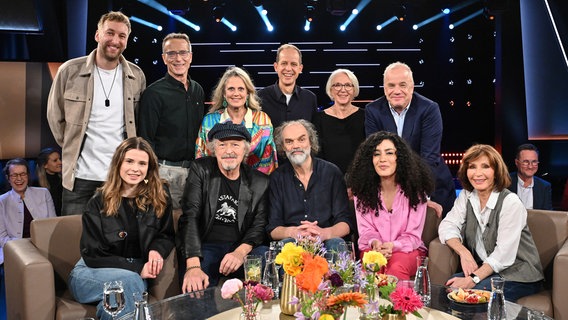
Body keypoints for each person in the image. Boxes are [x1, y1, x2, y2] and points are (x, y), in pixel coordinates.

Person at [47, 11, 146, 216]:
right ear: (97, 35)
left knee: (117, 242)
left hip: (120, 178)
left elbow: (138, 123)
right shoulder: (69, 71)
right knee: (75, 241)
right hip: (79, 178)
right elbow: (55, 117)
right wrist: (71, 145)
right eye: (110, 33)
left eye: (122, 36)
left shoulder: (136, 75)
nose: (115, 40)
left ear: (126, 41)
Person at [68, 137, 175, 320]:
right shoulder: (98, 201)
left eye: (142, 163)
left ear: (149, 169)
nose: (135, 168)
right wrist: (137, 268)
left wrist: (157, 250)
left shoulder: (159, 197)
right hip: (89, 273)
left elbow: (166, 234)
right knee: (131, 282)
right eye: (129, 161)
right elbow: (93, 254)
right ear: (118, 163)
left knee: (115, 303)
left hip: (134, 275)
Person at [438, 144, 543, 302]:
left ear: (496, 172)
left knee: (469, 297)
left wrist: (472, 279)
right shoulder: (467, 196)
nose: (477, 173)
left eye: (485, 166)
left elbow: (503, 256)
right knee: (447, 291)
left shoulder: (510, 202)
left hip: (519, 275)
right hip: (489, 270)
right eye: (472, 167)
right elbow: (447, 226)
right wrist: (464, 253)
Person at [178, 122, 269, 292]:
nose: (229, 151)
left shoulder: (260, 181)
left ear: (245, 150)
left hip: (242, 245)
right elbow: (190, 216)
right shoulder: (200, 169)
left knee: (268, 258)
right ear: (213, 150)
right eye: (222, 145)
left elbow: (260, 225)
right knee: (196, 290)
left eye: (235, 145)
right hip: (206, 246)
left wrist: (240, 252)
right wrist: (193, 265)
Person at [364, 61, 455, 217]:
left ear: (412, 87)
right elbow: (377, 155)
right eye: (391, 86)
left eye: (403, 85)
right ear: (385, 89)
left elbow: (429, 158)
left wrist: (417, 197)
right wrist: (395, 195)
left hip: (430, 186)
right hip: (390, 188)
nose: (397, 91)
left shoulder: (429, 109)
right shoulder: (373, 111)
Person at [346, 131, 434, 280]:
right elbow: (366, 230)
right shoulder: (362, 192)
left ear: (399, 158)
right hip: (374, 248)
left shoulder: (415, 192)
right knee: (373, 265)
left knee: (395, 267)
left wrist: (393, 246)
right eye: (376, 154)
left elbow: (413, 236)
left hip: (408, 250)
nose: (382, 159)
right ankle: (370, 304)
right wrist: (376, 244)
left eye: (389, 153)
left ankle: (399, 304)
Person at [138, 32, 205, 210]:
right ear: (164, 58)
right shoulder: (153, 94)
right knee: (168, 228)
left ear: (190, 56)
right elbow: (146, 140)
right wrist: (149, 178)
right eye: (171, 54)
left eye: (183, 53)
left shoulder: (197, 89)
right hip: (165, 173)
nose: (178, 59)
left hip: (195, 172)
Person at [267, 119, 352, 250]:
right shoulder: (277, 178)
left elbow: (345, 223)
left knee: (336, 244)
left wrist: (323, 234)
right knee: (285, 245)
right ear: (283, 147)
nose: (296, 146)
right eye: (289, 142)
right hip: (293, 243)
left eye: (301, 139)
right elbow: (273, 228)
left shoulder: (331, 172)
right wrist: (294, 233)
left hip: (326, 242)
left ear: (311, 142)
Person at [0, 158, 56, 319]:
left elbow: (51, 225)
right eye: (14, 175)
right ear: (8, 178)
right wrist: (25, 249)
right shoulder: (1, 202)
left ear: (28, 175)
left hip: (44, 248)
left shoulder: (43, 193)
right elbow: (2, 237)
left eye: (23, 174)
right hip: (15, 253)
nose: (19, 179)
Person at [195, 66, 277, 175]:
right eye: (231, 89)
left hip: (254, 184)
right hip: (216, 183)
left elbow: (268, 160)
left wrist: (257, 186)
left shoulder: (262, 120)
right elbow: (201, 159)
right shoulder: (210, 121)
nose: (236, 94)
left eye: (241, 89)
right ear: (224, 93)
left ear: (248, 93)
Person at [313, 68, 365, 174]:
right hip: (327, 179)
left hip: (360, 180)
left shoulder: (365, 116)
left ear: (354, 90)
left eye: (348, 85)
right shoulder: (318, 119)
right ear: (330, 90)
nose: (342, 90)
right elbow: (316, 155)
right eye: (337, 85)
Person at [257, 44, 318, 129]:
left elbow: (314, 136)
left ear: (300, 68)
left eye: (293, 64)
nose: (288, 68)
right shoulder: (260, 97)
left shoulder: (310, 99)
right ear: (276, 67)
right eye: (284, 63)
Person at [508, 143, 553, 210]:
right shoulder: (505, 182)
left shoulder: (544, 187)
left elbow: (548, 214)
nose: (530, 166)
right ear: (517, 162)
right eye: (526, 162)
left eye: (534, 162)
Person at [34, 147, 63, 216]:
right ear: (45, 165)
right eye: (55, 160)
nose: (60, 162)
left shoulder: (64, 181)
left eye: (60, 159)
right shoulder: (36, 184)